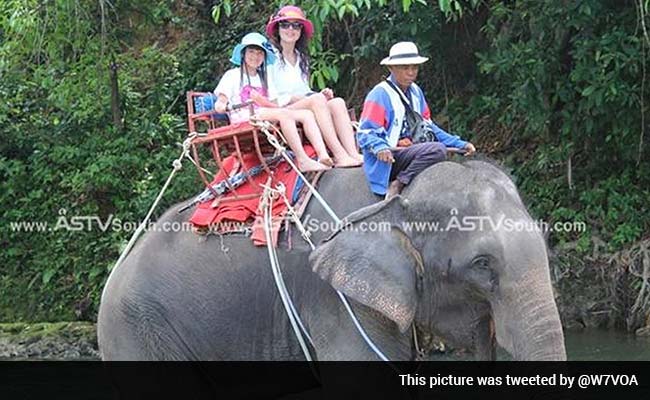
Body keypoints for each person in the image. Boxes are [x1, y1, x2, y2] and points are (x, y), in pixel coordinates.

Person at [357, 41, 476, 198]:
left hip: (413, 151)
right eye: (405, 68)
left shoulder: (416, 92)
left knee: (437, 151)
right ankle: (399, 182)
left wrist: (459, 144)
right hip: (390, 156)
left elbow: (428, 127)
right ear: (391, 68)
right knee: (437, 150)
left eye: (414, 67)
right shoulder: (379, 94)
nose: (411, 72)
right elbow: (365, 132)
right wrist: (380, 147)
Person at [213, 32, 332, 172]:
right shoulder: (232, 75)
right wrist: (225, 107)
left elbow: (274, 104)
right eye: (251, 52)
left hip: (265, 112)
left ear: (264, 57)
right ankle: (302, 159)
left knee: (305, 114)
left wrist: (296, 101)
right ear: (243, 54)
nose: (255, 57)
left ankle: (323, 154)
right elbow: (220, 103)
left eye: (259, 53)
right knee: (284, 115)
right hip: (245, 116)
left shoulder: (264, 78)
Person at [265, 5, 363, 168]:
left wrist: (320, 94)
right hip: (280, 107)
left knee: (337, 102)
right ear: (277, 29)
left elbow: (304, 90)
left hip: (304, 103)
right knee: (316, 100)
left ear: (301, 31)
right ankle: (339, 155)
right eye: (285, 25)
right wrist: (301, 98)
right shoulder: (269, 56)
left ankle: (352, 152)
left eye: (296, 25)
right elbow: (270, 95)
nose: (291, 29)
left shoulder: (301, 57)